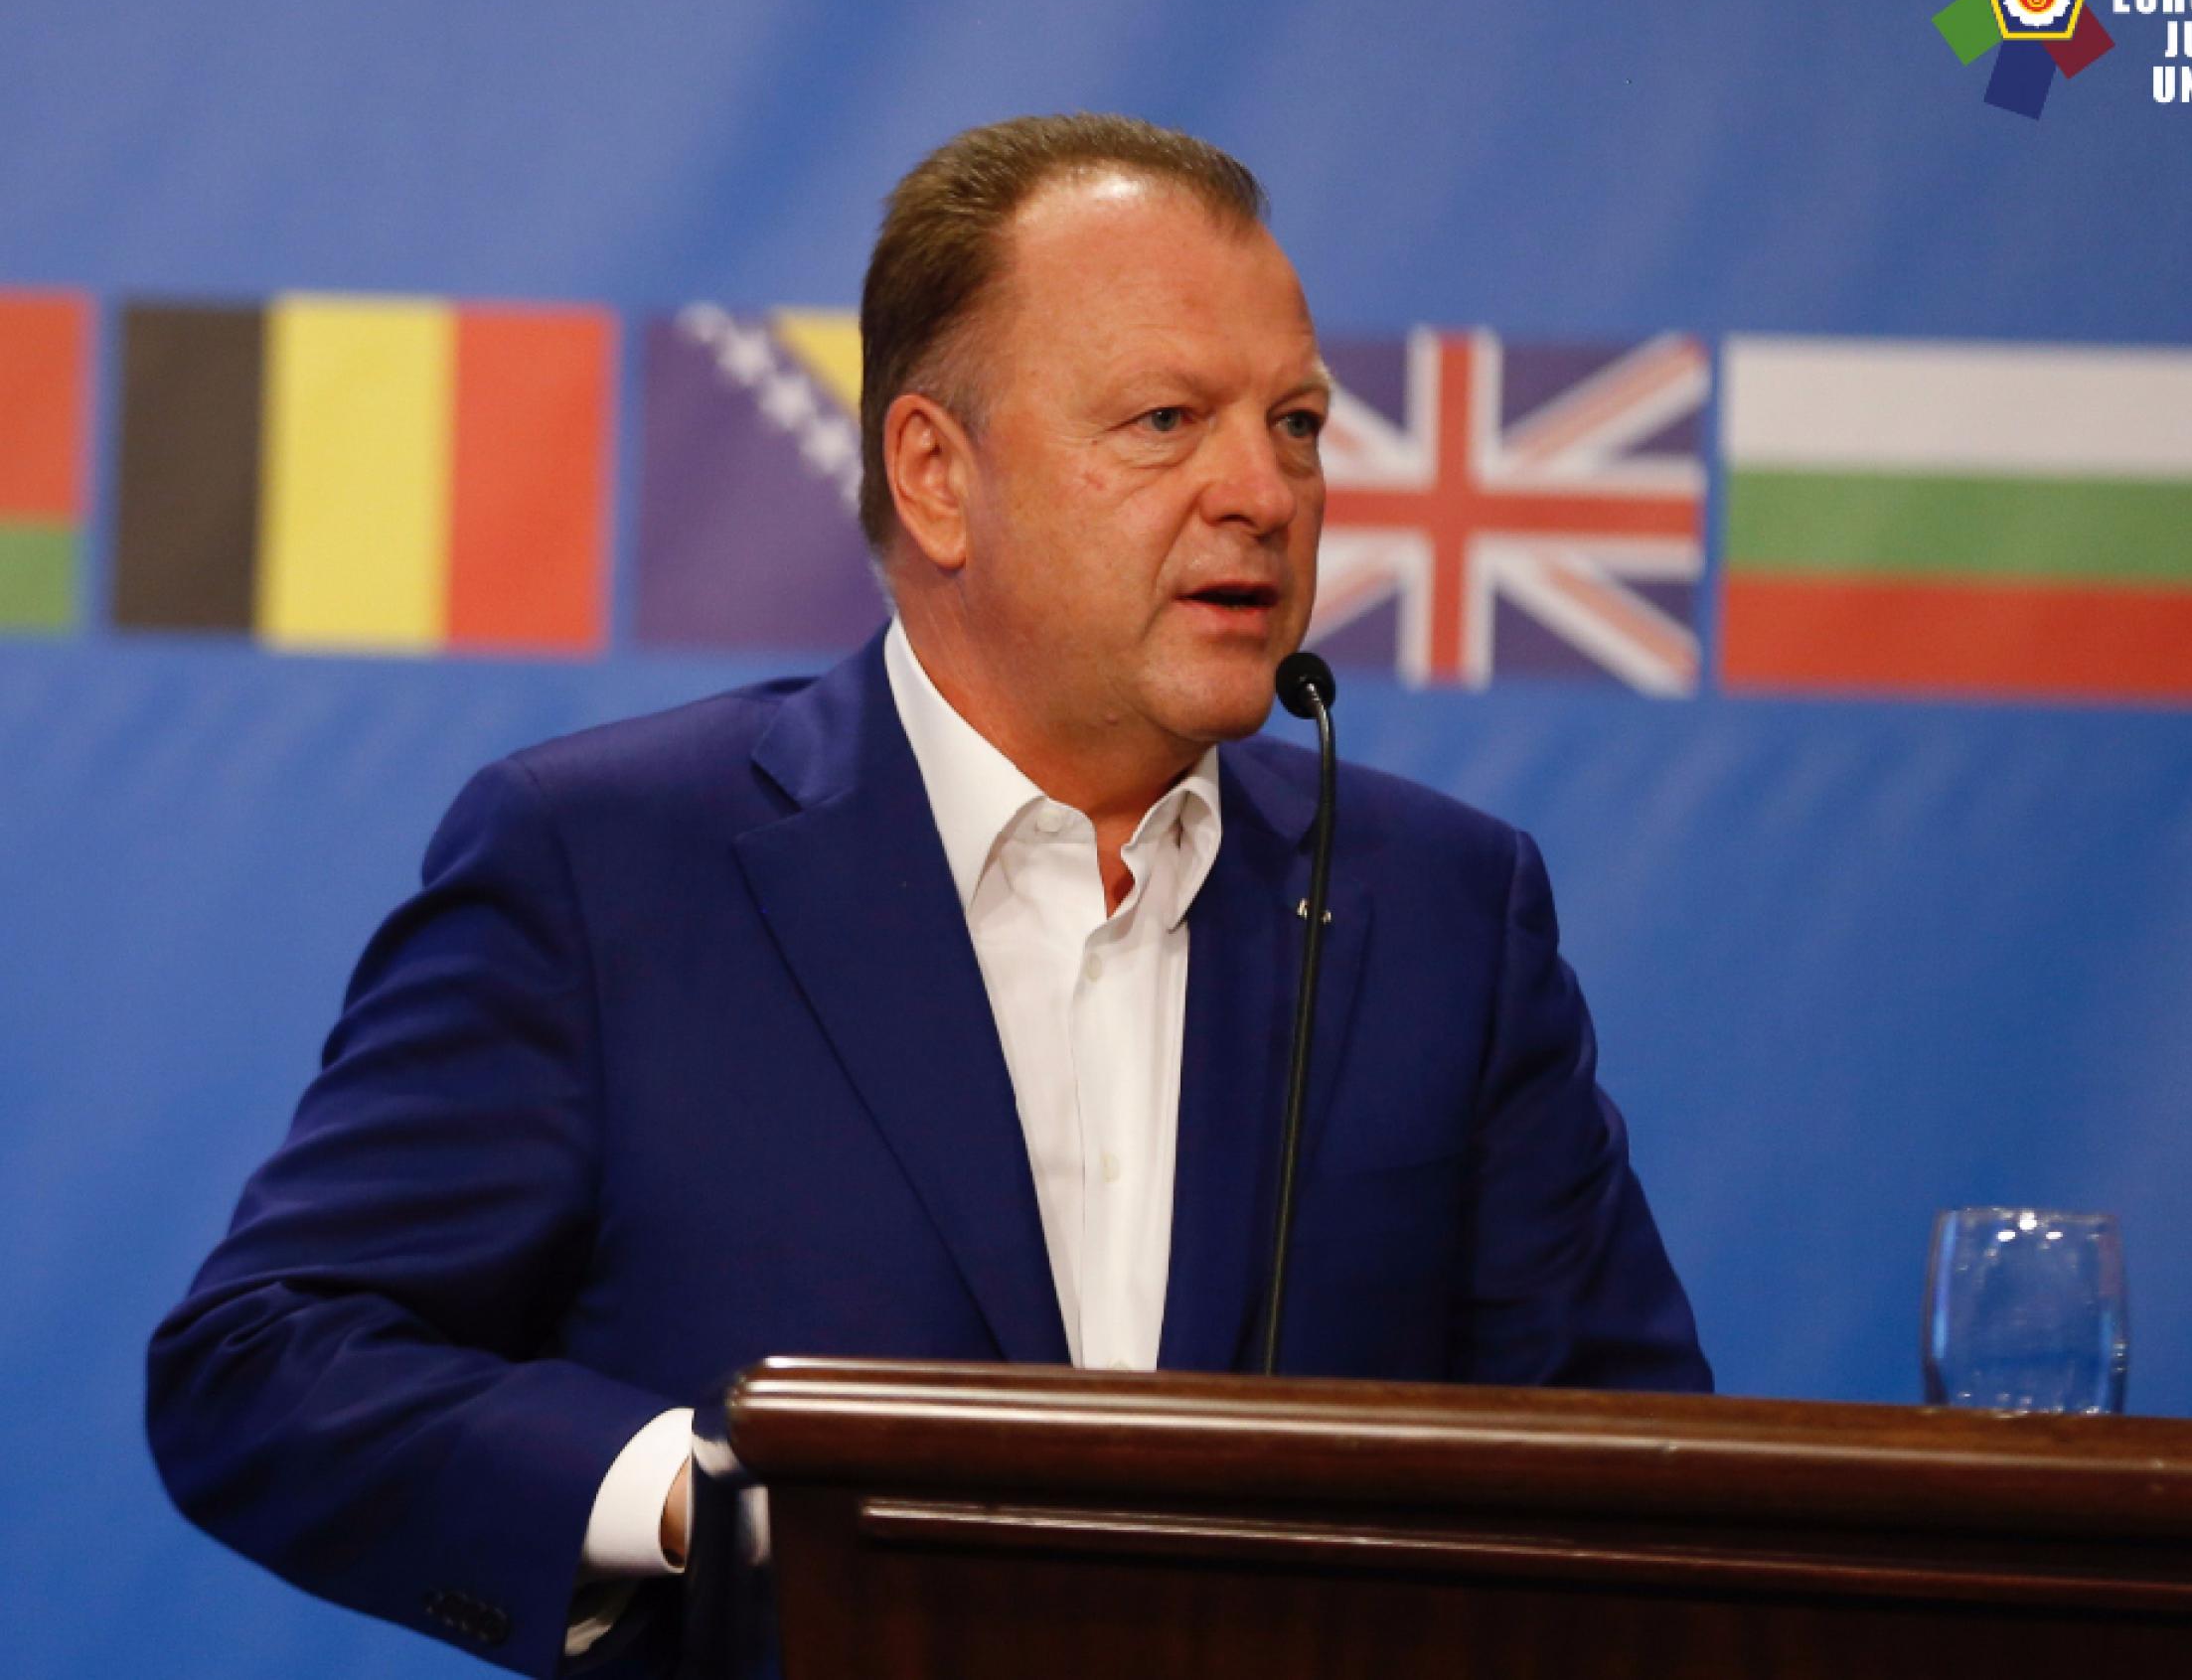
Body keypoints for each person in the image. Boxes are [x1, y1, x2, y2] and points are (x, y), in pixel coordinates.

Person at [148, 113, 1708, 1677]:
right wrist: (706, 1494)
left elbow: (1645, 1498)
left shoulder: (1442, 913)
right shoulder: (609, 867)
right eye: (1166, 420)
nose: (1263, 490)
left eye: (1295, 423)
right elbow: (269, 1359)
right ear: (937, 476)